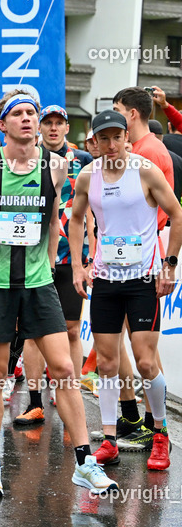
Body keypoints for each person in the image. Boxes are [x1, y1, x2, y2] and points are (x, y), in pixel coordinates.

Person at [0, 89, 117, 497]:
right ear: (3, 124)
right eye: (19, 114)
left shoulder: (58, 166)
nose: (28, 119)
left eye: (32, 112)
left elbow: (51, 219)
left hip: (38, 282)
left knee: (64, 369)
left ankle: (84, 463)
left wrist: (48, 263)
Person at [69, 109, 180, 472]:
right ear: (95, 142)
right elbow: (74, 217)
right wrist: (77, 265)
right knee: (107, 364)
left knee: (146, 362)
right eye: (105, 138)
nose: (112, 144)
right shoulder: (88, 176)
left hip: (143, 280)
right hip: (104, 281)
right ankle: (109, 440)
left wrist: (170, 264)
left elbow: (176, 214)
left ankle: (160, 434)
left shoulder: (144, 171)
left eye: (118, 136)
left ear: (126, 137)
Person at [15, 105, 94, 426]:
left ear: (65, 128)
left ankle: (68, 397)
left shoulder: (84, 162)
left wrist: (90, 257)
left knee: (73, 331)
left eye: (59, 123)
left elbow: (94, 209)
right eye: (47, 123)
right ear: (39, 127)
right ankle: (34, 401)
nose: (52, 128)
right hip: (34, 257)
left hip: (72, 258)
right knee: (33, 333)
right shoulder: (26, 159)